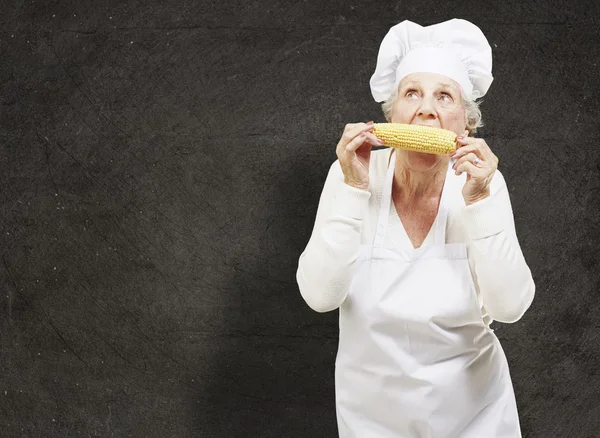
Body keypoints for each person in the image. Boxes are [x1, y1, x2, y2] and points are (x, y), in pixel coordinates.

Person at [296, 19, 535, 437]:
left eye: (444, 96)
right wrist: (353, 188)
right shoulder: (351, 174)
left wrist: (480, 201)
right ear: (391, 116)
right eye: (412, 94)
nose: (427, 109)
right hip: (372, 418)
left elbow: (510, 308)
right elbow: (319, 296)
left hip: (475, 417)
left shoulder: (482, 184)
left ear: (466, 126)